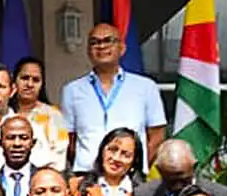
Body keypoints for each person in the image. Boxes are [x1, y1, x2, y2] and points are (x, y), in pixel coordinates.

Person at [61, 24, 168, 175]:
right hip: (87, 174)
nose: (101, 46)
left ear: (122, 48)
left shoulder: (146, 87)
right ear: (88, 51)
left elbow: (157, 137)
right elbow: (69, 139)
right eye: (95, 42)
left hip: (131, 175)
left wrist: (135, 164)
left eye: (108, 40)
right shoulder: (72, 90)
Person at [11, 56, 72, 173]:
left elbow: (59, 155)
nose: (29, 84)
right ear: (14, 80)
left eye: (36, 80)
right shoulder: (4, 114)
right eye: (24, 78)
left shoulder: (53, 115)